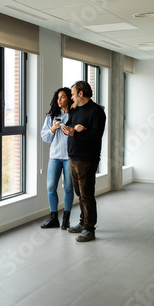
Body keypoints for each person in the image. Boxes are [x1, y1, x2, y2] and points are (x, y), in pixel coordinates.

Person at [62, 81, 106, 242]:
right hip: (73, 157)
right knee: (80, 194)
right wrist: (72, 128)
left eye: (73, 94)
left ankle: (89, 229)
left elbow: (95, 136)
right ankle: (83, 223)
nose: (71, 97)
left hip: (87, 159)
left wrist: (77, 132)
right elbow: (68, 126)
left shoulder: (97, 112)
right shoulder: (75, 110)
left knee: (87, 195)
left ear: (81, 94)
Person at [40, 87, 74, 230]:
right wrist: (53, 129)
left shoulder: (75, 114)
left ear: (69, 98)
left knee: (68, 187)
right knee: (50, 187)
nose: (59, 100)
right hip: (55, 156)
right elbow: (45, 137)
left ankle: (66, 218)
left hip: (69, 156)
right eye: (58, 98)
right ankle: (54, 218)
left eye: (63, 97)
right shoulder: (51, 116)